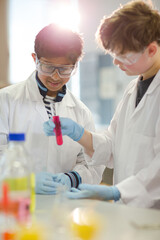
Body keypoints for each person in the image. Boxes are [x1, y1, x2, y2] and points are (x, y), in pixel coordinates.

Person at [43, 1, 160, 208]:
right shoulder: (134, 88)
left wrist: (117, 191)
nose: (116, 62)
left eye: (123, 56)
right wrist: (79, 134)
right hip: (131, 213)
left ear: (151, 50)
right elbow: (113, 146)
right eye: (113, 55)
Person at [0, 23, 105, 195]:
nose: (55, 77)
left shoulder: (81, 112)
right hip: (15, 201)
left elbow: (92, 165)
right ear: (35, 59)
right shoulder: (6, 101)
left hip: (63, 205)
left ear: (75, 66)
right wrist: (26, 180)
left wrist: (72, 178)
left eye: (64, 69)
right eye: (48, 67)